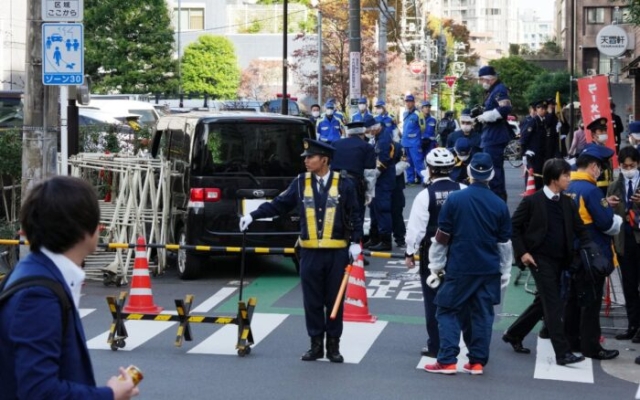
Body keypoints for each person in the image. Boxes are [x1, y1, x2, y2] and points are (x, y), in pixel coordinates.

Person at [0, 176, 139, 399]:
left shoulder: (33, 273)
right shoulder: (37, 295)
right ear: (84, 227)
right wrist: (110, 394)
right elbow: (40, 392)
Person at [239, 138, 361, 363]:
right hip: (310, 253)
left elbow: (355, 213)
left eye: (310, 157)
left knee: (334, 301)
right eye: (305, 158)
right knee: (312, 301)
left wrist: (356, 242)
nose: (306, 161)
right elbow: (279, 204)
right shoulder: (300, 182)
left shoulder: (345, 183)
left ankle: (333, 346)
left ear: (324, 160)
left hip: (337, 253)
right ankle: (315, 345)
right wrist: (253, 215)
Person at [424, 153, 512, 375]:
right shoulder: (499, 204)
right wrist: (505, 271)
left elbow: (442, 237)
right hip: (489, 267)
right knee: (482, 315)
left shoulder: (455, 199)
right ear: (491, 175)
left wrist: (435, 264)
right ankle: (477, 361)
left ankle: (447, 359)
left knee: (446, 309)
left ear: (469, 172)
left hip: (460, 266)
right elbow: (504, 243)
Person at [504, 159, 590, 365]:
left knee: (543, 302)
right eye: (566, 176)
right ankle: (562, 353)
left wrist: (590, 249)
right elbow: (513, 227)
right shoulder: (532, 201)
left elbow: (580, 229)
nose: (569, 179)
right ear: (553, 179)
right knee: (553, 304)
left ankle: (514, 334)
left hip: (562, 260)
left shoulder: (568, 202)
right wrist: (523, 253)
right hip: (538, 260)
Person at [405, 148, 465, 358]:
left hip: (432, 254)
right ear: (451, 167)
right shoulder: (463, 189)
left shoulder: (425, 195)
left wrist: (410, 252)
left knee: (433, 300)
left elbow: (416, 229)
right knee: (460, 299)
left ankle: (436, 345)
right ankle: (463, 343)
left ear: (430, 169)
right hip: (460, 253)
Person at [564, 144, 622, 360]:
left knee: (573, 299)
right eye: (600, 166)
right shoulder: (590, 190)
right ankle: (591, 346)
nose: (601, 171)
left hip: (573, 251)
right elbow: (606, 223)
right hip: (592, 254)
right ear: (593, 166)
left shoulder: (568, 186)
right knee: (591, 302)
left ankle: (572, 340)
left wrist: (605, 204)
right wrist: (614, 216)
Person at [608, 145, 640, 342]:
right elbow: (603, 208)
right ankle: (633, 325)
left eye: (632, 165)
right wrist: (607, 204)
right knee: (629, 286)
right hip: (623, 241)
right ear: (619, 165)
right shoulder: (614, 185)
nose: (629, 169)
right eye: (625, 166)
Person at [331, 121, 377, 242]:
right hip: (354, 184)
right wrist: (369, 193)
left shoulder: (335, 144)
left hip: (335, 183)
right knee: (356, 216)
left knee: (335, 215)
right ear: (363, 133)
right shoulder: (367, 147)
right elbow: (369, 173)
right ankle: (357, 250)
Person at [475, 65, 513, 201]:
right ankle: (496, 198)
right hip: (491, 134)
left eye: (481, 79)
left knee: (494, 170)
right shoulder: (493, 91)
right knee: (493, 169)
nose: (481, 83)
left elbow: (506, 108)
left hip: (495, 135)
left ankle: (498, 199)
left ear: (488, 79)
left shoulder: (499, 89)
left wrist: (488, 116)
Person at [367, 108, 397, 251]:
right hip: (378, 180)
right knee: (374, 209)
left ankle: (385, 241)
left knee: (382, 209)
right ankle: (374, 238)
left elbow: (384, 160)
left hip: (383, 180)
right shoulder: (377, 137)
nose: (368, 133)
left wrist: (373, 174)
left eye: (369, 130)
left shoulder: (384, 138)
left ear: (375, 128)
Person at [520, 100, 548, 190]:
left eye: (545, 108)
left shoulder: (542, 121)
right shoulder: (533, 121)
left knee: (539, 177)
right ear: (536, 110)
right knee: (533, 177)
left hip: (540, 154)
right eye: (541, 108)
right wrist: (524, 152)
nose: (543, 110)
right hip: (533, 153)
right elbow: (524, 137)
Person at [585, 117, 615, 195]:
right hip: (596, 190)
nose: (604, 133)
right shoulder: (591, 151)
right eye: (601, 131)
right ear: (593, 134)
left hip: (608, 190)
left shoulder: (606, 150)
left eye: (605, 130)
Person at [401, 94, 426, 185]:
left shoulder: (418, 114)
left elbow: (423, 127)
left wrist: (416, 136)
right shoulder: (405, 113)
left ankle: (425, 180)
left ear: (413, 102)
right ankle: (410, 180)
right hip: (406, 143)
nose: (408, 103)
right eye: (407, 101)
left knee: (418, 162)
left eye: (410, 101)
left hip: (415, 143)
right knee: (408, 163)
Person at [392, 140, 408, 248]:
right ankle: (379, 238)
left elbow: (402, 164)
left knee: (396, 212)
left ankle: (400, 238)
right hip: (380, 185)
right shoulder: (372, 143)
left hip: (395, 184)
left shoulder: (398, 147)